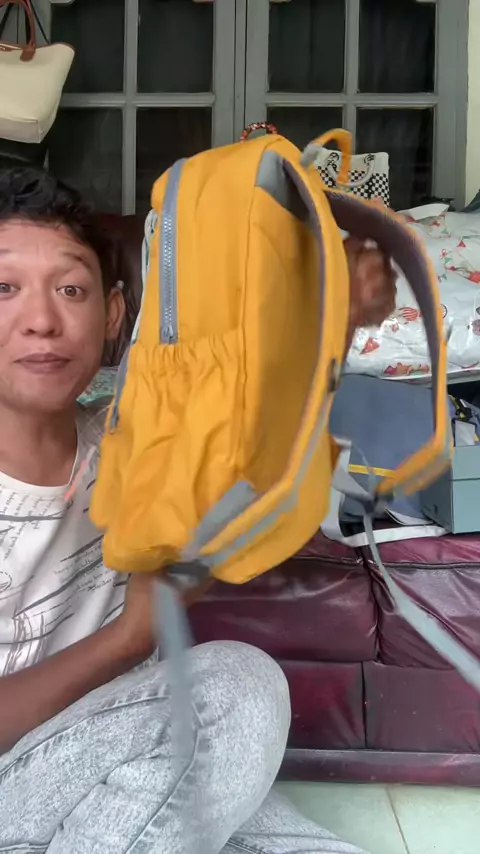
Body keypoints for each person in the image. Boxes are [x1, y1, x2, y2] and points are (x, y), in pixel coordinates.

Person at [0, 166, 396, 853]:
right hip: (24, 784)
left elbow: (256, 437)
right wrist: (130, 638)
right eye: (4, 288)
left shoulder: (135, 442)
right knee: (234, 688)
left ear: (115, 314)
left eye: (70, 289)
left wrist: (332, 318)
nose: (41, 320)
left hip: (126, 758)